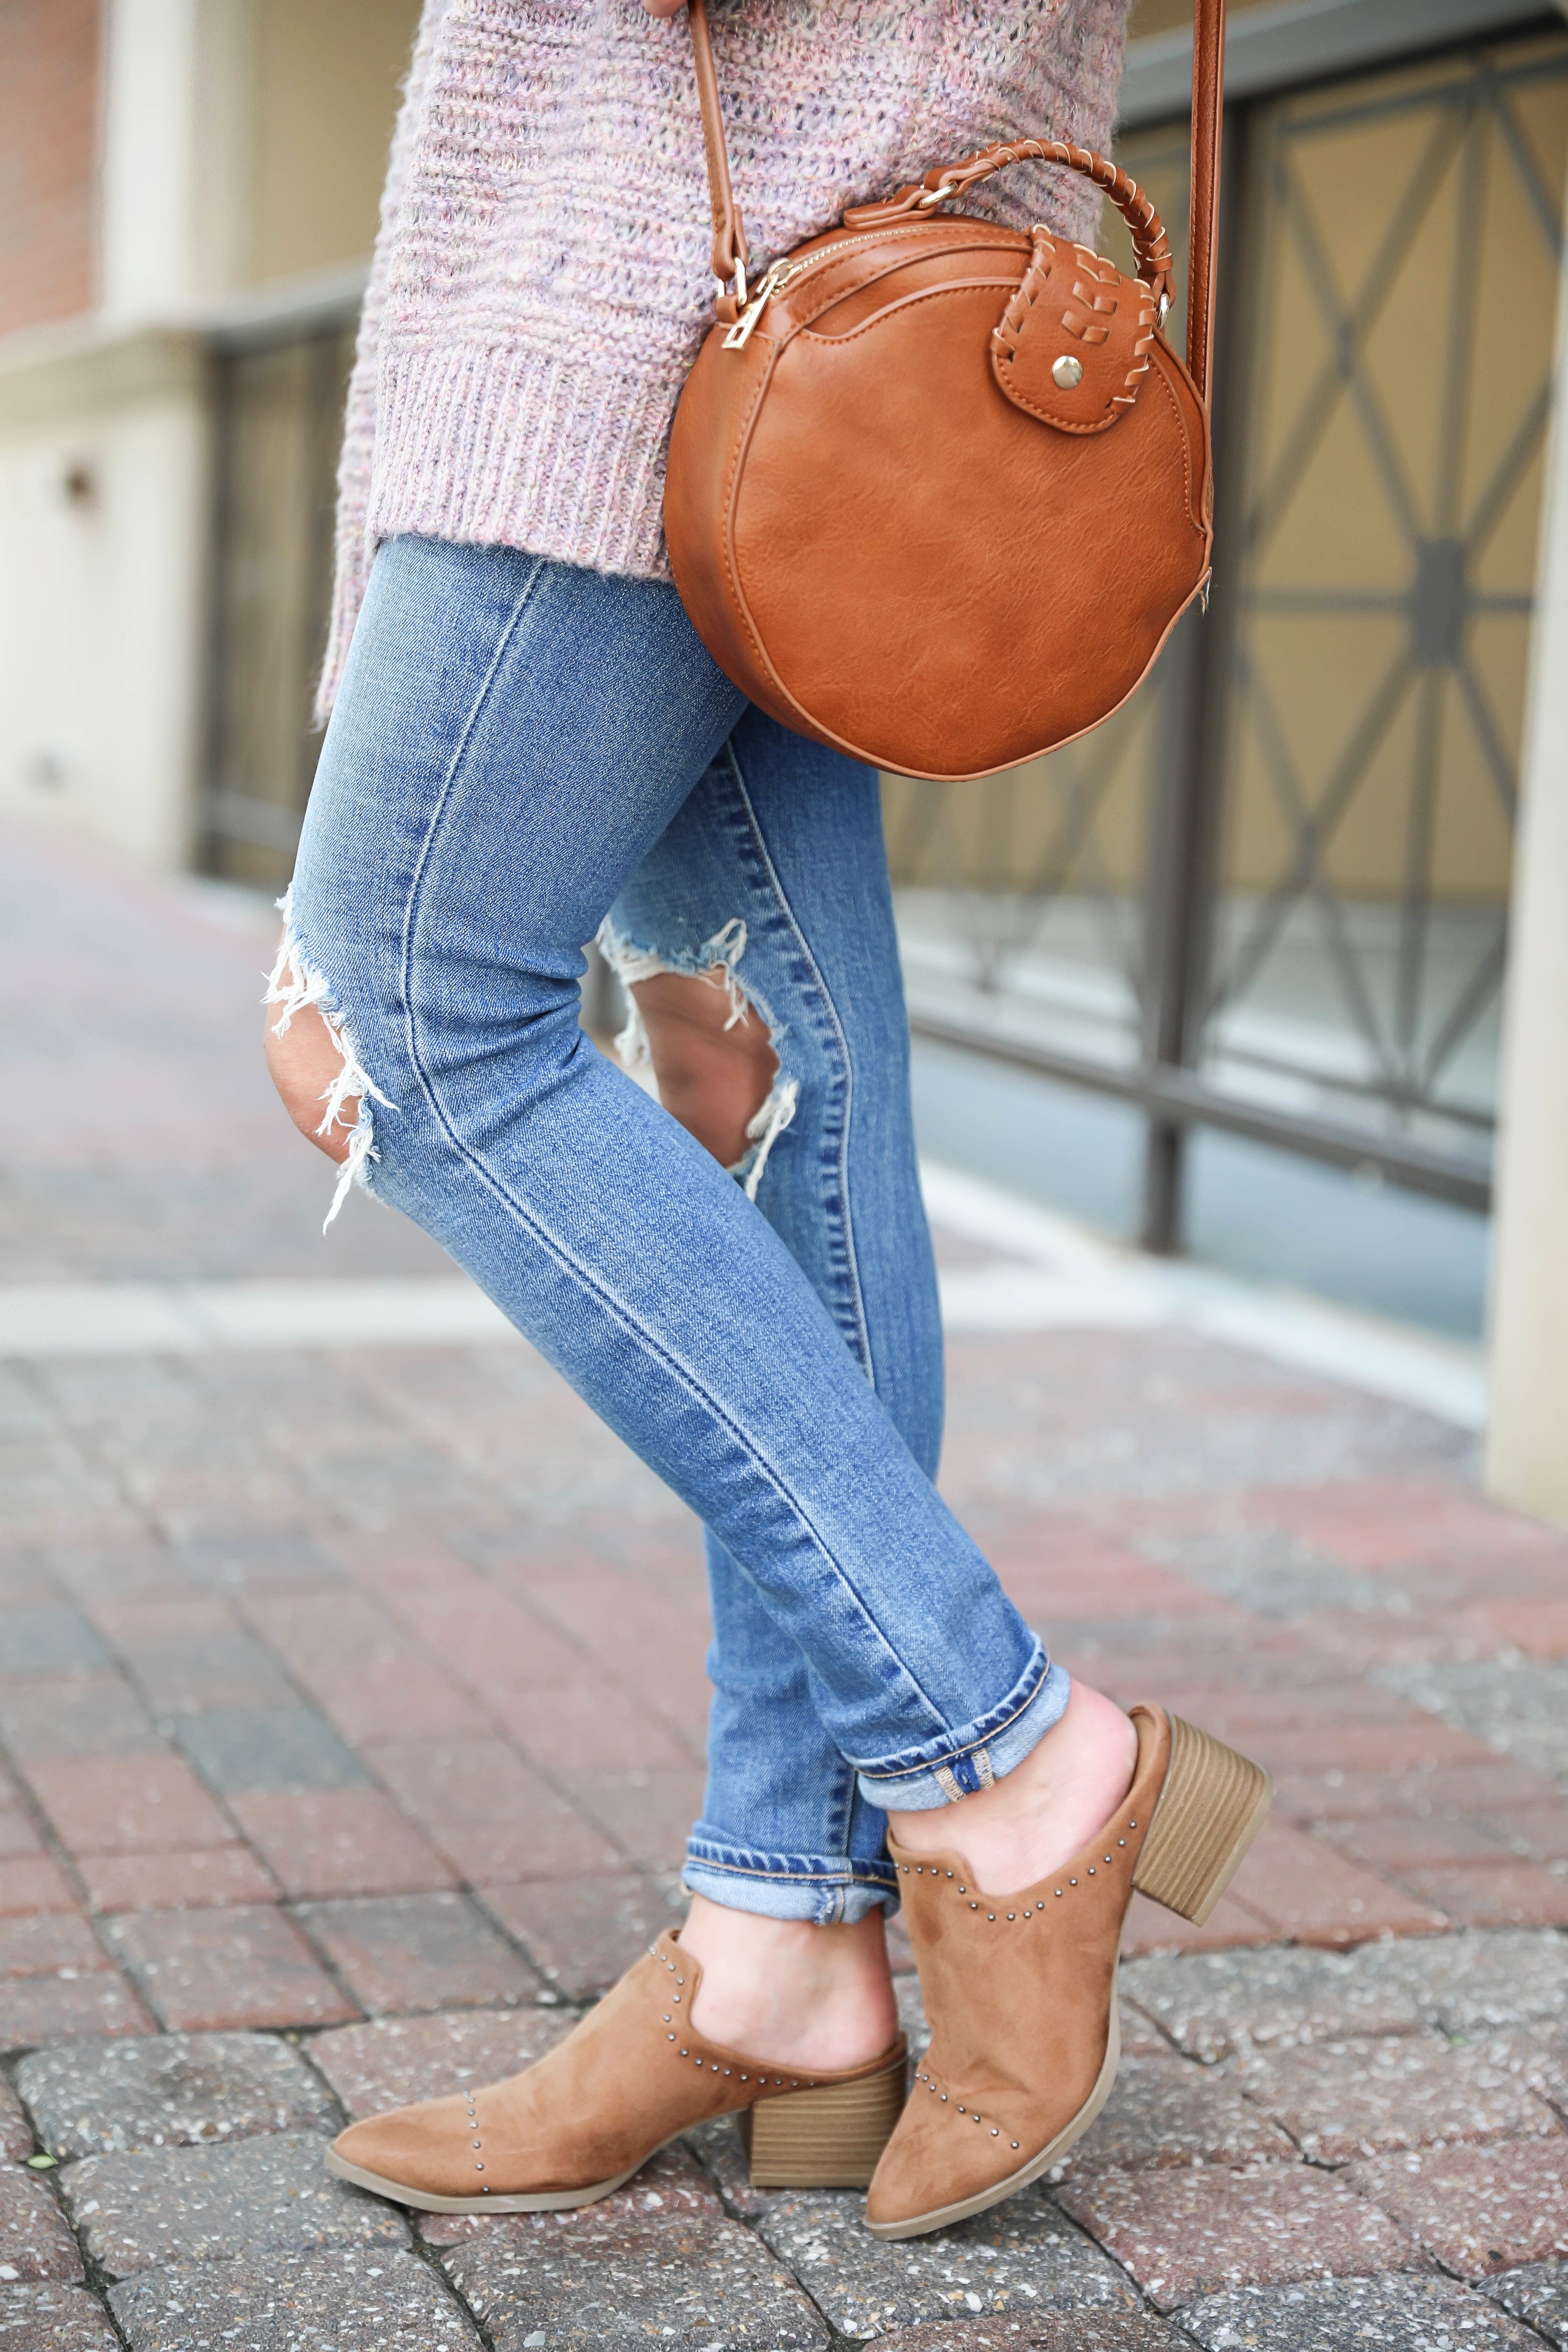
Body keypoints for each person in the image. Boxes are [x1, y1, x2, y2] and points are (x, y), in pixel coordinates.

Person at [263, 0, 1268, 2240]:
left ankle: (1013, 1759)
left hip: (665, 298)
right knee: (782, 1082)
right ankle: (784, 1950)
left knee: (422, 1013)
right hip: (810, 293)